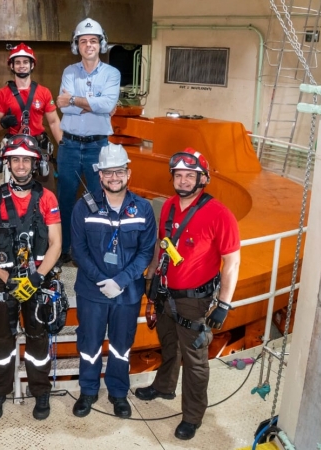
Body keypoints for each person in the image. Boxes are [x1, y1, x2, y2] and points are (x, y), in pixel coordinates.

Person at [135, 148, 241, 440]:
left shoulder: (220, 214)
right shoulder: (168, 206)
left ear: (202, 179)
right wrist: (152, 276)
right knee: (169, 343)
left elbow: (232, 262)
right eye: (178, 175)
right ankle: (165, 386)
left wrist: (224, 304)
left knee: (194, 359)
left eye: (189, 176)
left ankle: (193, 415)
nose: (182, 181)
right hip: (166, 291)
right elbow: (162, 244)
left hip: (195, 300)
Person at [0, 135, 62, 421]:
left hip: (37, 283)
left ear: (34, 164)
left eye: (26, 160)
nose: (21, 165)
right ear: (8, 163)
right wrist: (5, 277)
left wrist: (37, 278)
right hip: (5, 282)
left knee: (38, 340)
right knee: (2, 341)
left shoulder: (47, 198)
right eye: (16, 159)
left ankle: (41, 393)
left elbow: (56, 244)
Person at [70, 143, 156, 419]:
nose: (114, 177)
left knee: (121, 345)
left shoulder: (143, 209)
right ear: (100, 175)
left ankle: (118, 392)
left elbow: (146, 252)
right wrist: (101, 280)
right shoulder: (83, 207)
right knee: (89, 343)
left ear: (128, 173)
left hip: (127, 294)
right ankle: (88, 390)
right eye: (108, 173)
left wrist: (120, 281)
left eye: (119, 172)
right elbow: (78, 251)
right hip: (91, 292)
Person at [56, 18, 121, 264]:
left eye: (93, 40)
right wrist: (95, 105)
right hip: (70, 145)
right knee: (65, 199)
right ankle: (63, 249)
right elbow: (65, 108)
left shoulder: (111, 73)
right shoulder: (69, 72)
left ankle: (92, 250)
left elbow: (107, 105)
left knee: (97, 199)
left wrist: (75, 100)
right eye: (83, 41)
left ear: (100, 44)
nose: (88, 45)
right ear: (77, 46)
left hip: (97, 146)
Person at [0, 43, 63, 187]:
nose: (21, 65)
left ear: (32, 65)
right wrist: (3, 123)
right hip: (14, 148)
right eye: (17, 62)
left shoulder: (44, 92)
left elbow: (54, 122)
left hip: (38, 146)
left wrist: (64, 147)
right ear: (11, 66)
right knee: (12, 192)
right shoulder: (2, 93)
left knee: (45, 190)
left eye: (25, 62)